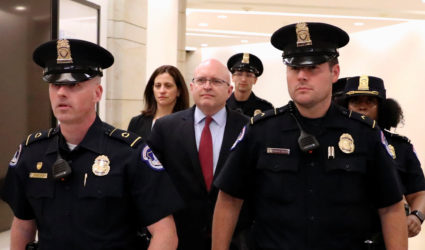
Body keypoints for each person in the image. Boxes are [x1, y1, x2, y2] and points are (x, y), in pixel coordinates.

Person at [212, 22, 407, 250]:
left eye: (313, 68)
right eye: (294, 69)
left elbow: (391, 207)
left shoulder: (364, 134)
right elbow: (229, 200)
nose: (302, 76)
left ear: (335, 73)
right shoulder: (261, 131)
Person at [1, 39, 182, 250]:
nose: (61, 93)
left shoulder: (129, 153)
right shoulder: (32, 153)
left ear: (97, 93)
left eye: (73, 85)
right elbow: (23, 226)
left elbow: (165, 234)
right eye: (55, 84)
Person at [147, 59, 250, 250]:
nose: (208, 86)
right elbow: (151, 185)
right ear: (192, 87)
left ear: (229, 91)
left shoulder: (249, 128)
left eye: (216, 81)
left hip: (235, 239)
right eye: (201, 80)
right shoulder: (165, 128)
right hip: (180, 237)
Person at [343, 75, 425, 238]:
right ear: (344, 106)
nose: (362, 107)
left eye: (370, 102)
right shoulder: (328, 142)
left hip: (385, 238)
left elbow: (419, 193)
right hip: (339, 238)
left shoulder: (401, 147)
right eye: (356, 101)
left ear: (382, 108)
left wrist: (417, 216)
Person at [128, 65, 189, 139]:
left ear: (179, 91)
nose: (162, 91)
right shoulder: (136, 123)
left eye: (168, 86)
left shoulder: (188, 124)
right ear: (152, 90)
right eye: (158, 86)